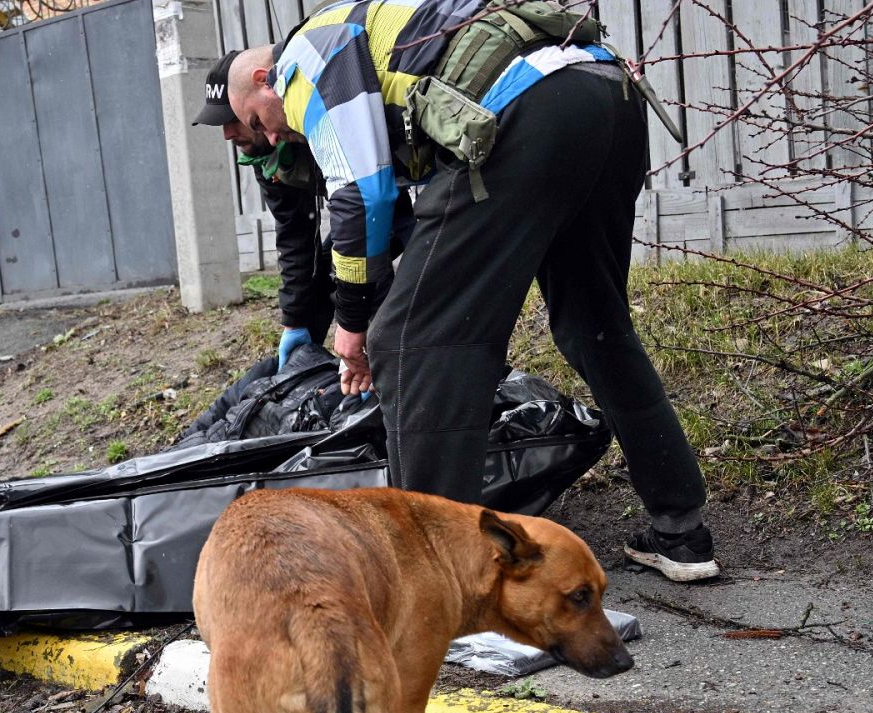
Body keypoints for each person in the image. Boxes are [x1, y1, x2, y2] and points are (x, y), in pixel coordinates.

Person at [227, 0, 719, 582]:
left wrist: (354, 325)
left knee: (413, 346)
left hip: (524, 109)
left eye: (256, 121)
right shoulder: (370, 36)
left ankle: (441, 580)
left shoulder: (306, 60)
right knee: (596, 325)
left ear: (264, 78)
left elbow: (362, 195)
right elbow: (409, 220)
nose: (272, 135)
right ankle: (682, 531)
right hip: (606, 95)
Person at [192, 51, 412, 370]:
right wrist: (295, 323)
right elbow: (295, 236)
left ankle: (392, 366)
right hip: (364, 207)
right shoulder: (266, 156)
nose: (227, 134)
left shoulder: (311, 114)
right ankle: (308, 369)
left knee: (364, 276)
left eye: (232, 119)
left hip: (399, 194)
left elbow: (366, 213)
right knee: (324, 276)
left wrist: (357, 328)